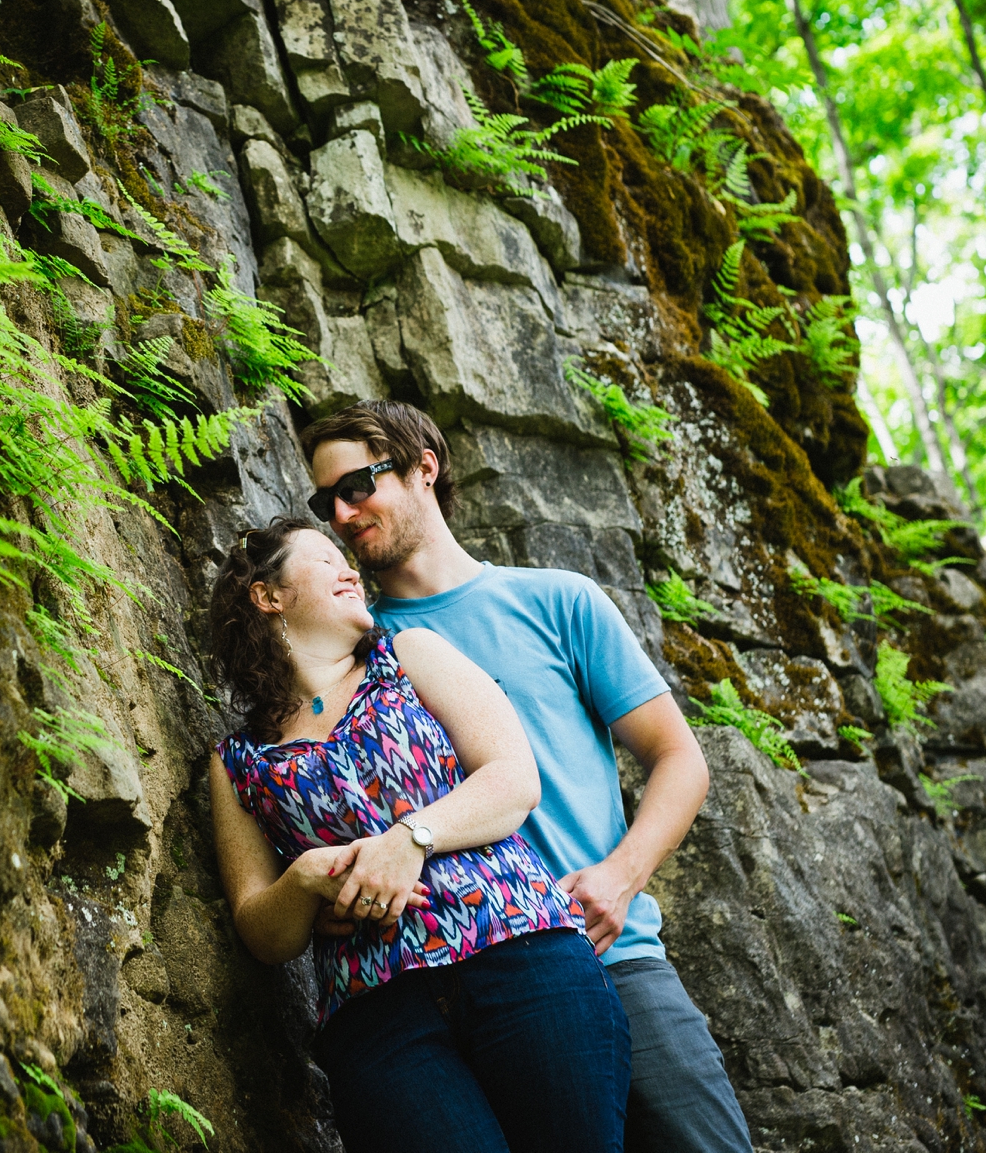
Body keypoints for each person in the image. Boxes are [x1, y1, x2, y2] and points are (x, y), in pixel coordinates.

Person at [298, 400, 752, 1153]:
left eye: (357, 486)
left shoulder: (556, 600)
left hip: (615, 952)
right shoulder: (357, 650)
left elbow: (679, 758)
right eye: (325, 503)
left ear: (423, 469)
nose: (342, 514)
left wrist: (620, 876)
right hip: (465, 979)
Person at [205, 517, 631, 1153]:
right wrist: (303, 880)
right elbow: (263, 931)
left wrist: (409, 840)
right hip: (378, 1017)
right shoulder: (236, 759)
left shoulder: (409, 655)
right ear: (268, 596)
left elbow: (514, 780)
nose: (351, 570)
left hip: (522, 958)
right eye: (325, 561)